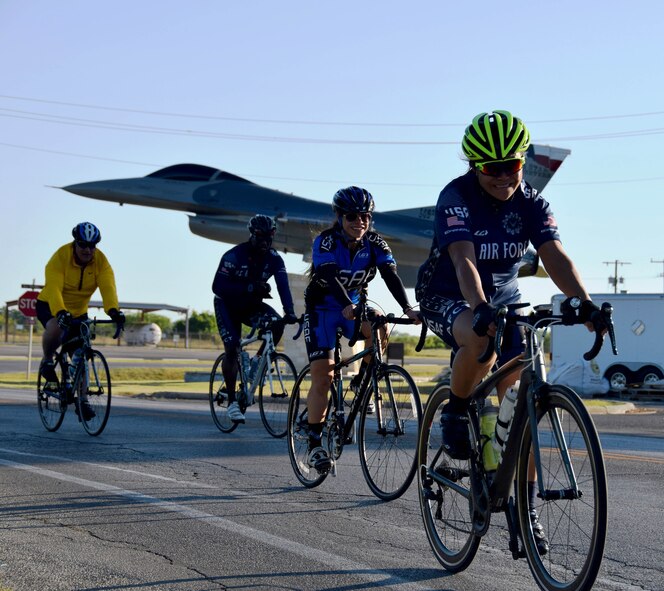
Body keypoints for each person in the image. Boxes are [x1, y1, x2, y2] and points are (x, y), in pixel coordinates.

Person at [416, 110, 604, 556]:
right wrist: (479, 308)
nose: (503, 177)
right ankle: (456, 410)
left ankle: (526, 507)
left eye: (512, 166)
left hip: (505, 297)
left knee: (524, 404)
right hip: (450, 294)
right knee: (479, 343)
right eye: (491, 168)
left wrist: (585, 302)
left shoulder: (531, 201)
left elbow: (554, 255)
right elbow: (463, 260)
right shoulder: (456, 197)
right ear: (474, 167)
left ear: (522, 163)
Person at [303, 186, 421, 473]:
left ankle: (360, 385)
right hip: (323, 310)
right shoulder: (327, 241)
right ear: (340, 217)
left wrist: (408, 309)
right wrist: (346, 304)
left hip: (353, 306)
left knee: (379, 323)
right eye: (353, 216)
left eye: (365, 216)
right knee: (323, 376)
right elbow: (328, 276)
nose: (360, 222)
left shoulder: (376, 243)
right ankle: (313, 442)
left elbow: (390, 275)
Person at [212, 214, 298, 423]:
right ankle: (232, 401)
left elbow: (282, 286)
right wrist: (249, 287)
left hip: (251, 306)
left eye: (269, 238)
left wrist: (290, 312)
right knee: (232, 347)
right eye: (260, 237)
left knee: (277, 324)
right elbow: (217, 287)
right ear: (252, 235)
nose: (265, 242)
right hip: (227, 305)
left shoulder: (275, 258)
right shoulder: (234, 255)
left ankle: (257, 362)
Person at [37, 222, 125, 420]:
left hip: (78, 312)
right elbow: (53, 288)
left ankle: (82, 400)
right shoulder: (60, 257)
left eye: (92, 246)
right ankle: (47, 360)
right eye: (83, 245)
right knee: (56, 329)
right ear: (75, 243)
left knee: (81, 353)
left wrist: (114, 311)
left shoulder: (101, 262)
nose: (87, 250)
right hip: (51, 304)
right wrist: (60, 312)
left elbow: (108, 287)